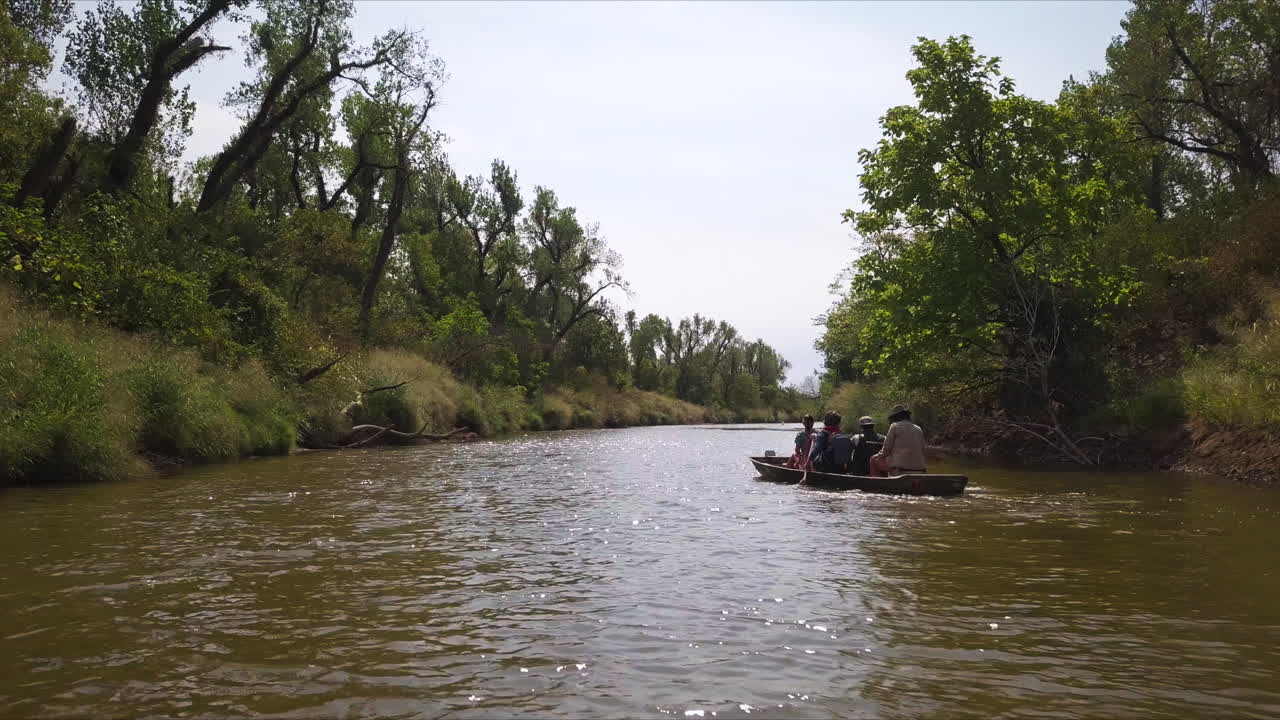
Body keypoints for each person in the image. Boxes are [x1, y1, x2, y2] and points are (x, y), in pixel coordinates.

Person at [875, 404, 927, 475]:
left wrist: (878, 456)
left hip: (900, 470)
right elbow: (923, 450)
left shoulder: (894, 426)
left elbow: (886, 449)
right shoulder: (918, 428)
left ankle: (878, 484)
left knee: (873, 460)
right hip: (921, 470)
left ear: (895, 417)